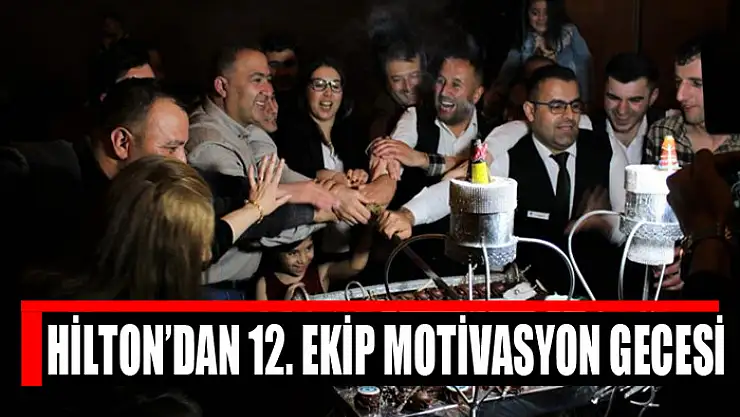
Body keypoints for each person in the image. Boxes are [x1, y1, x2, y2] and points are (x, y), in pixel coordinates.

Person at [381, 66, 621, 297]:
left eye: (575, 106)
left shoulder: (604, 148)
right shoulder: (509, 154)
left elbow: (628, 225)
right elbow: (463, 191)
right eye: (556, 107)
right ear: (530, 111)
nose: (569, 116)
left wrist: (606, 224)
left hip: (596, 291)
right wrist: (408, 215)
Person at [274, 57, 374, 256]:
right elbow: (290, 174)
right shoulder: (287, 131)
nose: (328, 93)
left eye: (335, 86)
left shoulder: (353, 132)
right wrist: (330, 177)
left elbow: (363, 172)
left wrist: (360, 175)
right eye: (319, 85)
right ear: (305, 90)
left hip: (352, 247)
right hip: (307, 250)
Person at [485, 0, 591, 110]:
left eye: (546, 13)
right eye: (535, 13)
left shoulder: (569, 33)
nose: (541, 18)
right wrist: (497, 88)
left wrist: (585, 99)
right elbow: (509, 67)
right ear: (526, 13)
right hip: (533, 98)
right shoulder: (524, 36)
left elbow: (584, 66)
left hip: (564, 95)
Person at [255, 228, 373, 300]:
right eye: (293, 253)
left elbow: (355, 266)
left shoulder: (320, 273)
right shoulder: (264, 283)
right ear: (276, 253)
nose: (303, 260)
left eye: (308, 248)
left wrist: (369, 228)